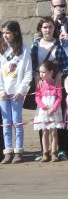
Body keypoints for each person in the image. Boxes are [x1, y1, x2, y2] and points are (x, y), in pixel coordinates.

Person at [0, 21, 32, 164]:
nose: (5, 36)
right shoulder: (1, 50)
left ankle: (18, 151)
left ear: (15, 33)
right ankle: (8, 151)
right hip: (4, 93)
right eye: (3, 33)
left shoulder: (24, 51)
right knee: (6, 123)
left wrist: (21, 90)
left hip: (17, 93)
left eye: (7, 33)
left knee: (17, 122)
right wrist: (1, 90)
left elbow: (28, 73)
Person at [33, 60, 64, 162]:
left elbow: (59, 97)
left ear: (50, 72)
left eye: (43, 72)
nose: (41, 74)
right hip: (43, 111)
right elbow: (37, 97)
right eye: (40, 72)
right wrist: (44, 108)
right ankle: (45, 153)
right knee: (44, 132)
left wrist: (53, 109)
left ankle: (54, 153)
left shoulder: (56, 83)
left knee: (54, 133)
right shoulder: (40, 84)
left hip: (54, 111)